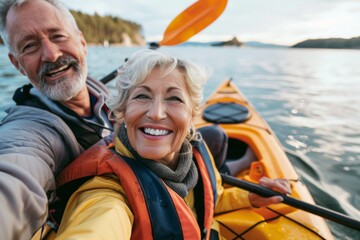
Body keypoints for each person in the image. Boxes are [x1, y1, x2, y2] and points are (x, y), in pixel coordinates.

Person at [53, 49, 291, 239]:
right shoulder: (108, 194)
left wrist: (251, 199)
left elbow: (207, 201)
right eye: (142, 96)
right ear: (122, 112)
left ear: (192, 114)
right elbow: (97, 226)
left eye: (174, 98)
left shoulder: (194, 153)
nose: (156, 113)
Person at [0, 0, 114, 239]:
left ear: (82, 43)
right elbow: (15, 175)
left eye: (58, 36)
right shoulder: (29, 132)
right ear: (17, 64)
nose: (51, 54)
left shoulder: (107, 97)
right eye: (30, 46)